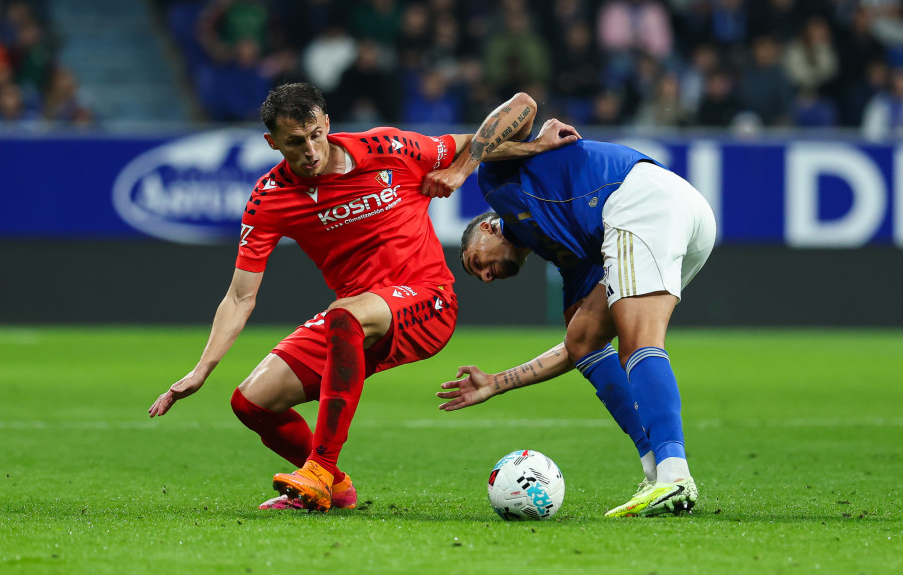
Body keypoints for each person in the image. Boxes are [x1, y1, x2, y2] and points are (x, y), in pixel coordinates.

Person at [148, 82, 576, 512]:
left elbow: (519, 110)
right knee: (252, 403)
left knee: (345, 316)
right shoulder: (270, 200)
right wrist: (202, 369)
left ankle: (318, 468)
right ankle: (336, 487)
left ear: (327, 124)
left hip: (428, 302)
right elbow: (240, 297)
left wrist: (526, 148)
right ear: (272, 142)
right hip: (357, 316)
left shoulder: (389, 148)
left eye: (316, 134)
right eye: (295, 143)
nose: (310, 150)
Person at [425, 106, 716, 518]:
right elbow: (574, 346)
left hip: (639, 200)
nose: (486, 276)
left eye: (477, 262)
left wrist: (470, 167)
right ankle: (656, 474)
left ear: (487, 228)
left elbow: (522, 104)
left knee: (639, 344)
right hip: (681, 214)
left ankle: (673, 476)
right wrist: (497, 383)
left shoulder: (498, 183)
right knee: (586, 339)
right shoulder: (571, 255)